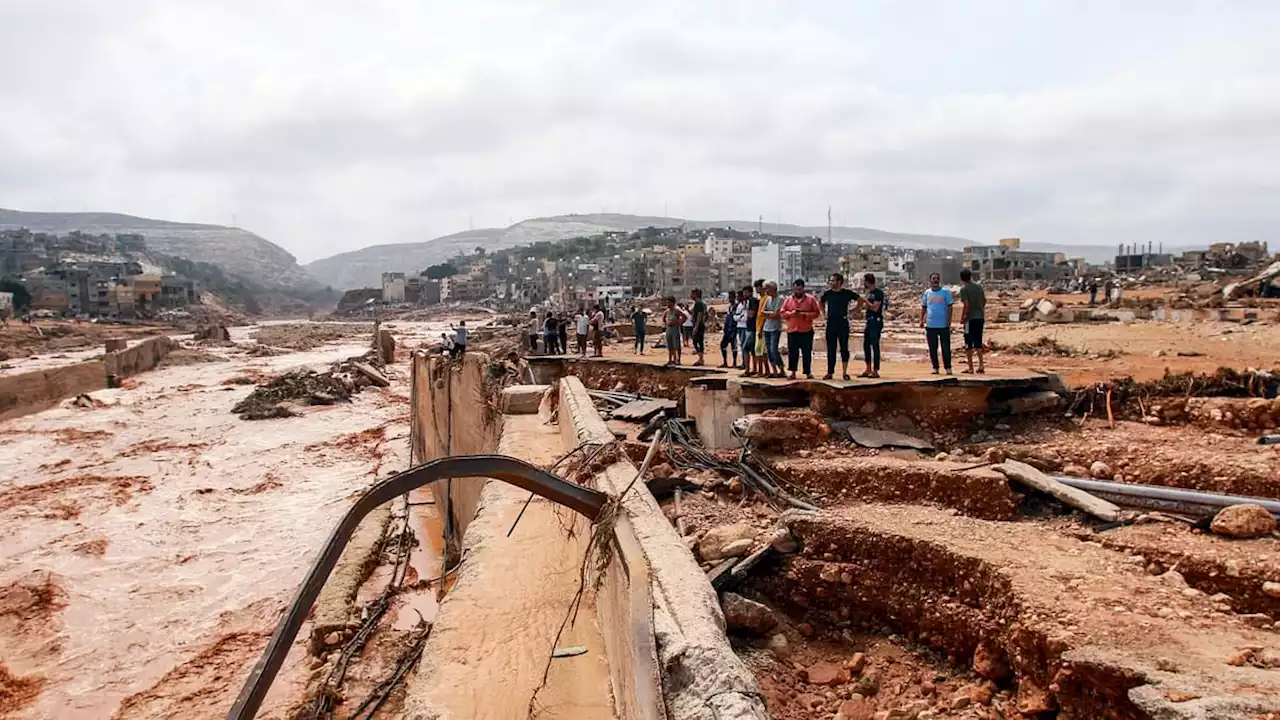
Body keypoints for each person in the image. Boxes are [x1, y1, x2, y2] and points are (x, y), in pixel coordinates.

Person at [819, 273, 858, 381]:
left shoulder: (847, 293)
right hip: (831, 323)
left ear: (839, 282)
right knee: (831, 349)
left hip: (843, 323)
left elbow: (861, 300)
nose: (831, 283)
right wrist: (824, 314)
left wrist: (854, 310)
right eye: (830, 281)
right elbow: (821, 302)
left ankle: (845, 372)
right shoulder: (828, 293)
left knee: (844, 348)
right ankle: (830, 372)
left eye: (833, 281)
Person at [780, 278, 821, 380]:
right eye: (795, 289)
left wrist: (805, 314)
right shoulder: (788, 300)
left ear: (803, 288)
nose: (797, 291)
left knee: (806, 353)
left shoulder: (811, 300)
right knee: (793, 353)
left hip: (806, 331)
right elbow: (782, 313)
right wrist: (791, 313)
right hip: (792, 330)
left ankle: (808, 372)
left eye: (799, 289)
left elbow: (817, 313)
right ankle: (793, 373)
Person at [919, 272, 954, 375]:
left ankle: (948, 368)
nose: (935, 280)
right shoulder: (927, 293)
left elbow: (950, 307)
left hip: (943, 325)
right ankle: (935, 367)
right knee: (932, 348)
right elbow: (924, 307)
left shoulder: (945, 292)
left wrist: (949, 320)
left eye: (937, 278)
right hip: (930, 325)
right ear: (930, 280)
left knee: (946, 348)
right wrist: (921, 320)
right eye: (933, 278)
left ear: (939, 280)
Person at [958, 269, 987, 374]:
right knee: (978, 342)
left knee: (968, 343)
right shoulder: (979, 287)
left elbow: (966, 305)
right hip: (980, 317)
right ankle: (981, 365)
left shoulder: (964, 289)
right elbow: (984, 301)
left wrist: (963, 317)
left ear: (961, 278)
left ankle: (970, 367)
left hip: (970, 319)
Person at [858, 273, 885, 378]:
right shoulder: (867, 293)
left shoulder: (878, 293)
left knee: (875, 345)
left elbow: (875, 308)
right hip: (869, 321)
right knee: (866, 345)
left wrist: (866, 301)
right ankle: (868, 368)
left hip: (876, 321)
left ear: (867, 281)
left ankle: (875, 370)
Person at [760, 281, 785, 377]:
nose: (766, 291)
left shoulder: (780, 299)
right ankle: (774, 371)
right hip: (767, 328)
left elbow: (777, 315)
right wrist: (771, 314)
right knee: (769, 351)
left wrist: (768, 314)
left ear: (773, 289)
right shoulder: (767, 299)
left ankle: (781, 369)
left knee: (773, 349)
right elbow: (762, 312)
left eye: (767, 288)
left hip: (775, 328)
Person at [663, 296, 689, 366]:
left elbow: (684, 317)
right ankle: (670, 360)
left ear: (672, 303)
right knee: (670, 346)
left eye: (668, 303)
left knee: (676, 345)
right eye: (667, 302)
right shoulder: (667, 311)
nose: (667, 304)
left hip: (675, 329)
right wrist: (667, 322)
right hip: (669, 329)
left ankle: (678, 360)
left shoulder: (677, 310)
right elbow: (663, 318)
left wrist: (678, 322)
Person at [719, 291, 740, 368]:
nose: (730, 299)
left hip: (734, 330)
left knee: (733, 346)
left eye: (731, 297)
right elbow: (728, 319)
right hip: (727, 330)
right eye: (729, 297)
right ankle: (725, 362)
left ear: (734, 298)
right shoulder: (729, 307)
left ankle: (734, 363)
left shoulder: (737, 306)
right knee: (722, 345)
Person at [733, 288, 752, 372]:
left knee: (745, 346)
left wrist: (739, 317)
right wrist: (739, 317)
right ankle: (744, 363)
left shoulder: (747, 304)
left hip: (745, 327)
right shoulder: (739, 305)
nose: (737, 298)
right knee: (742, 345)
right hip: (739, 327)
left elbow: (745, 317)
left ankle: (746, 364)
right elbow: (735, 317)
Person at [689, 289, 707, 366]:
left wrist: (696, 327)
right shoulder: (698, 303)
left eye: (692, 294)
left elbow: (699, 315)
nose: (691, 295)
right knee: (698, 341)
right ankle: (700, 358)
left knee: (697, 341)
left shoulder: (699, 303)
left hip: (699, 325)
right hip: (698, 325)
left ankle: (701, 359)